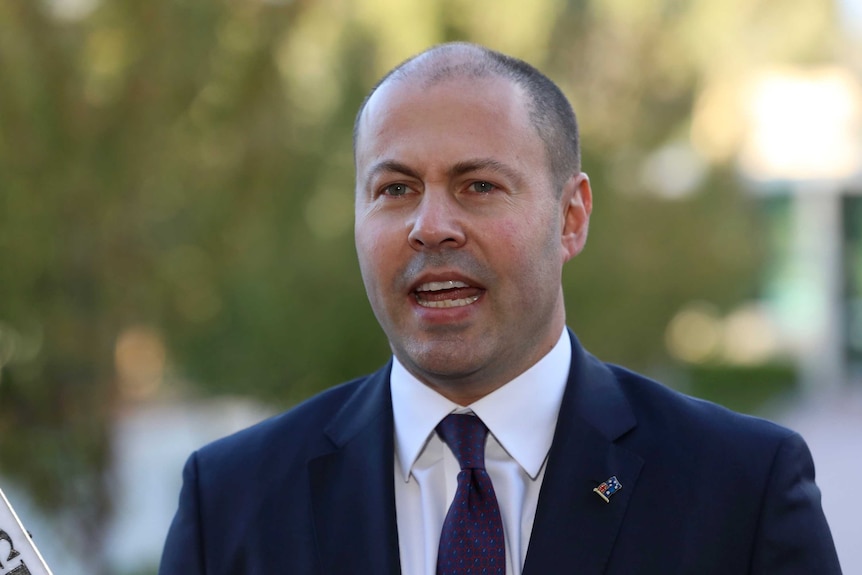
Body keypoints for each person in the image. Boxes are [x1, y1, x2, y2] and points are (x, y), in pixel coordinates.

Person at [158, 43, 842, 575]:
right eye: (395, 189)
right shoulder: (232, 502)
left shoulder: (741, 490)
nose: (430, 225)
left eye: (478, 185)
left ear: (570, 218)